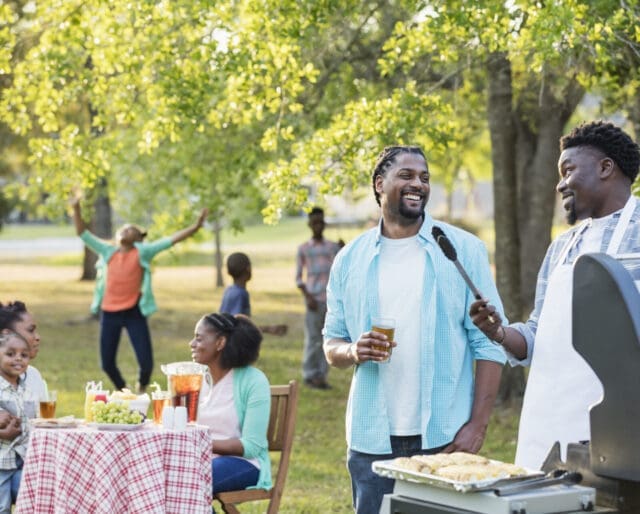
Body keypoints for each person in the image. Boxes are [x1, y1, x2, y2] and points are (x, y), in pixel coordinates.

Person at [323, 145, 507, 514]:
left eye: (424, 178)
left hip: (444, 437)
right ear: (380, 184)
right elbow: (332, 344)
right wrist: (354, 351)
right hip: (370, 440)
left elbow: (489, 344)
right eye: (406, 175)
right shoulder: (349, 259)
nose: (418, 184)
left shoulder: (462, 250)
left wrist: (478, 425)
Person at [470, 120, 640, 470]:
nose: (560, 184)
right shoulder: (562, 247)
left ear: (605, 167)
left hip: (624, 427)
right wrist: (499, 332)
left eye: (568, 170)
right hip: (550, 424)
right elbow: (537, 336)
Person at [72, 197, 208, 392]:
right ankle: (124, 390)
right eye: (124, 229)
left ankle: (141, 386)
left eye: (131, 230)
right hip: (109, 312)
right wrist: (76, 207)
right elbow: (82, 234)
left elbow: (170, 240)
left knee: (146, 363)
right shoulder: (108, 250)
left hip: (133, 311)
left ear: (137, 239)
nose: (125, 231)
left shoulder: (143, 252)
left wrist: (195, 227)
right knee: (106, 363)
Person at [190, 312, 272, 498]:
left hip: (243, 462)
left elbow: (252, 446)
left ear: (220, 343)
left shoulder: (253, 381)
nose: (192, 344)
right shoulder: (194, 379)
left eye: (199, 338)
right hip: (199, 460)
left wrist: (203, 443)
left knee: (191, 481)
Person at [295, 207, 341, 390]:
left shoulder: (332, 247)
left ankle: (321, 375)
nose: (318, 226)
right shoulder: (304, 249)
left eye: (321, 222)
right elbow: (299, 278)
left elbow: (341, 268)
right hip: (313, 300)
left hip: (329, 300)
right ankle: (309, 373)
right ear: (309, 224)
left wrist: (343, 249)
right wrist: (308, 297)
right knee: (313, 338)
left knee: (327, 338)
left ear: (324, 224)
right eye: (314, 223)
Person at [0, 331, 38, 513]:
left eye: (24, 355)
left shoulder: (26, 389)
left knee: (33, 502)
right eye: (10, 354)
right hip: (1, 461)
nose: (18, 359)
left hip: (22, 460)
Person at [220, 252, 287, 336]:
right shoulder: (240, 294)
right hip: (235, 346)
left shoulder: (229, 290)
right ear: (248, 268)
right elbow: (237, 327)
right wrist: (268, 329)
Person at [0, 301, 46, 401]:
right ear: (7, 334)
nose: (37, 337)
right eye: (30, 330)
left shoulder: (33, 376)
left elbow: (44, 416)